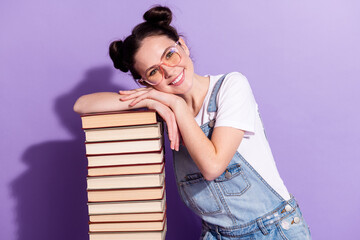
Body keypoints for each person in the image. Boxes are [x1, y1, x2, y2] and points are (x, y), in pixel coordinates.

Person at [73, 6, 311, 240]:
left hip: (272, 230)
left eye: (169, 54)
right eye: (154, 71)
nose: (169, 71)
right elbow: (82, 105)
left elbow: (213, 166)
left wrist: (176, 106)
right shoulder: (161, 102)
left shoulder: (230, 86)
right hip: (215, 234)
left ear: (183, 45)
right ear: (144, 82)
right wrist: (154, 101)